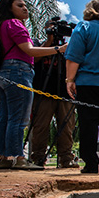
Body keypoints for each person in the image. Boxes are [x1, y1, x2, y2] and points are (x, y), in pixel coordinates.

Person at [0, 0, 63, 170]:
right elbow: (29, 50)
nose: (25, 8)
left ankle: (2, 156)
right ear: (9, 8)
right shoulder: (15, 24)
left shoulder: (2, 25)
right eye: (20, 5)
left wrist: (49, 44)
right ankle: (18, 157)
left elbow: (30, 50)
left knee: (5, 116)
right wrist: (58, 49)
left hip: (5, 71)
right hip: (19, 71)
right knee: (19, 118)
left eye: (25, 5)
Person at [65, 0, 99, 174]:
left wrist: (70, 79)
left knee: (88, 125)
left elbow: (74, 55)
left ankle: (91, 163)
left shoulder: (84, 27)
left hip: (88, 82)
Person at [28, 20, 77, 168]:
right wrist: (51, 43)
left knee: (66, 127)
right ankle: (38, 158)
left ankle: (66, 158)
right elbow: (34, 58)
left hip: (64, 93)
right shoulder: (37, 44)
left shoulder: (68, 47)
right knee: (41, 126)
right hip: (43, 91)